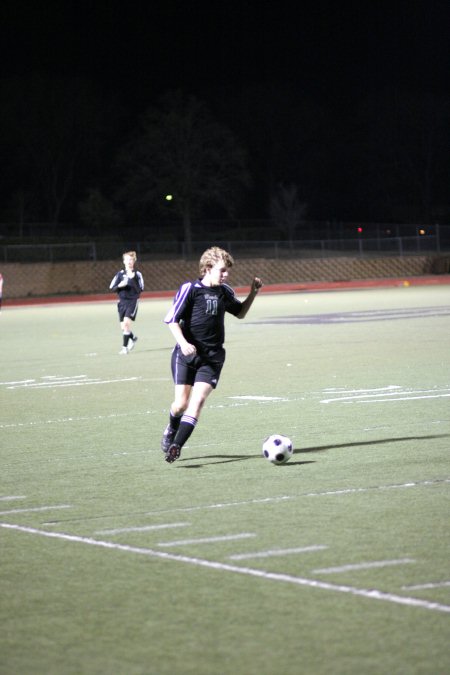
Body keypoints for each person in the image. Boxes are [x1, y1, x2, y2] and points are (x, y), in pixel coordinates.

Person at [161, 246, 263, 463]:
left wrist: (253, 292)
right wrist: (183, 343)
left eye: (227, 271)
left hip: (213, 358)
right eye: (222, 270)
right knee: (180, 404)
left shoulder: (224, 291)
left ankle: (176, 446)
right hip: (185, 356)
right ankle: (171, 427)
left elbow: (241, 313)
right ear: (207, 268)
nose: (226, 275)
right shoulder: (190, 289)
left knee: (197, 402)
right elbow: (171, 320)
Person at [109, 251, 144, 354]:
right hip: (122, 302)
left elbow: (141, 288)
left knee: (126, 324)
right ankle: (132, 338)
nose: (129, 262)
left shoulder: (137, 274)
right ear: (124, 261)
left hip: (132, 302)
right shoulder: (119, 274)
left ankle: (124, 348)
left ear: (134, 261)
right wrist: (120, 285)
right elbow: (112, 287)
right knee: (123, 327)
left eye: (131, 260)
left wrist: (130, 283)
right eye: (127, 260)